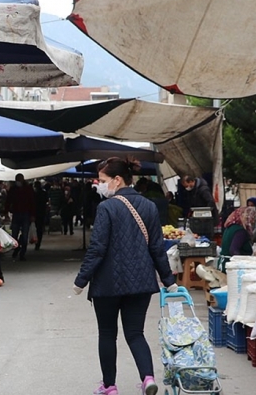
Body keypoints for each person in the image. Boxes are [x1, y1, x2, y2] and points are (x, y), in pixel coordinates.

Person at [73, 157, 177, 395]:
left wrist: (81, 279)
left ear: (117, 180)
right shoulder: (149, 207)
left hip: (108, 284)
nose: (99, 185)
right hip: (141, 283)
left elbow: (98, 248)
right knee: (135, 333)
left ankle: (109, 387)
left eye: (102, 180)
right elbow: (157, 249)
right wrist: (168, 280)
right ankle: (148, 378)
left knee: (108, 334)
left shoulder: (106, 208)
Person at [6, 173, 36, 261]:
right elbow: (8, 201)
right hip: (17, 213)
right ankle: (17, 248)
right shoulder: (13, 189)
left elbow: (32, 202)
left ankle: (22, 253)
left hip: (25, 214)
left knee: (25, 235)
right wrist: (6, 212)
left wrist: (33, 215)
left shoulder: (28, 189)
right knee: (14, 235)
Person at [219, 206, 256, 271]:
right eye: (248, 218)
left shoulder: (230, 227)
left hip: (224, 263)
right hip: (231, 267)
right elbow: (233, 250)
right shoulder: (240, 231)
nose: (251, 221)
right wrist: (242, 264)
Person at [33, 181, 49, 250]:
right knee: (40, 228)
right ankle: (38, 242)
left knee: (35, 227)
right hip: (42, 212)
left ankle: (36, 242)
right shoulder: (43, 192)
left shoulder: (34, 193)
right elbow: (46, 200)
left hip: (35, 212)